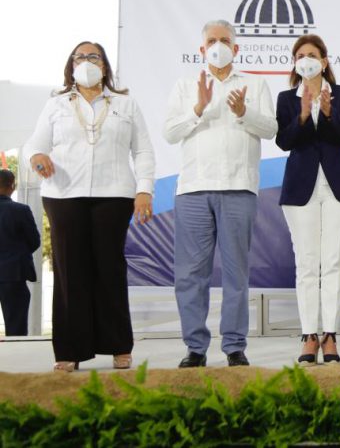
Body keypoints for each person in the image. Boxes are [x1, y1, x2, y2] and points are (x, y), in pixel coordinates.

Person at [24, 41, 155, 372]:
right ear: (71, 67)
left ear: (104, 66)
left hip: (115, 194)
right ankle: (69, 350)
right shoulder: (56, 104)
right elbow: (35, 144)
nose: (86, 61)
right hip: (64, 194)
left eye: (92, 56)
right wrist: (37, 157)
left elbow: (143, 151)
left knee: (109, 267)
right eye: (79, 57)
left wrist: (144, 190)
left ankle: (118, 345)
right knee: (70, 270)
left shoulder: (125, 104)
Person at [163, 19, 277, 368]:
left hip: (238, 189)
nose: (218, 45)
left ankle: (234, 346)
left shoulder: (254, 85)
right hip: (194, 190)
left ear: (236, 48)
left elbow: (271, 128)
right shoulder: (186, 86)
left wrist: (243, 112)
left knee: (236, 272)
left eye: (224, 40)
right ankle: (195, 347)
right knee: (191, 273)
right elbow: (170, 132)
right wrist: (198, 108)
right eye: (211, 40)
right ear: (201, 49)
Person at [276, 34, 340, 365]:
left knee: (332, 262)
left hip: (339, 186)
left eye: (312, 54)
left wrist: (327, 112)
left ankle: (330, 336)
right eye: (300, 55)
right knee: (306, 264)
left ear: (324, 61)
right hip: (301, 189)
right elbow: (285, 141)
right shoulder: (287, 98)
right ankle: (308, 336)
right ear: (295, 63)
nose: (306, 59)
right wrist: (301, 116)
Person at [0, 169, 40, 336]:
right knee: (15, 325)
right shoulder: (20, 210)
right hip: (13, 273)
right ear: (12, 186)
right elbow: (34, 241)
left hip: (12, 271)